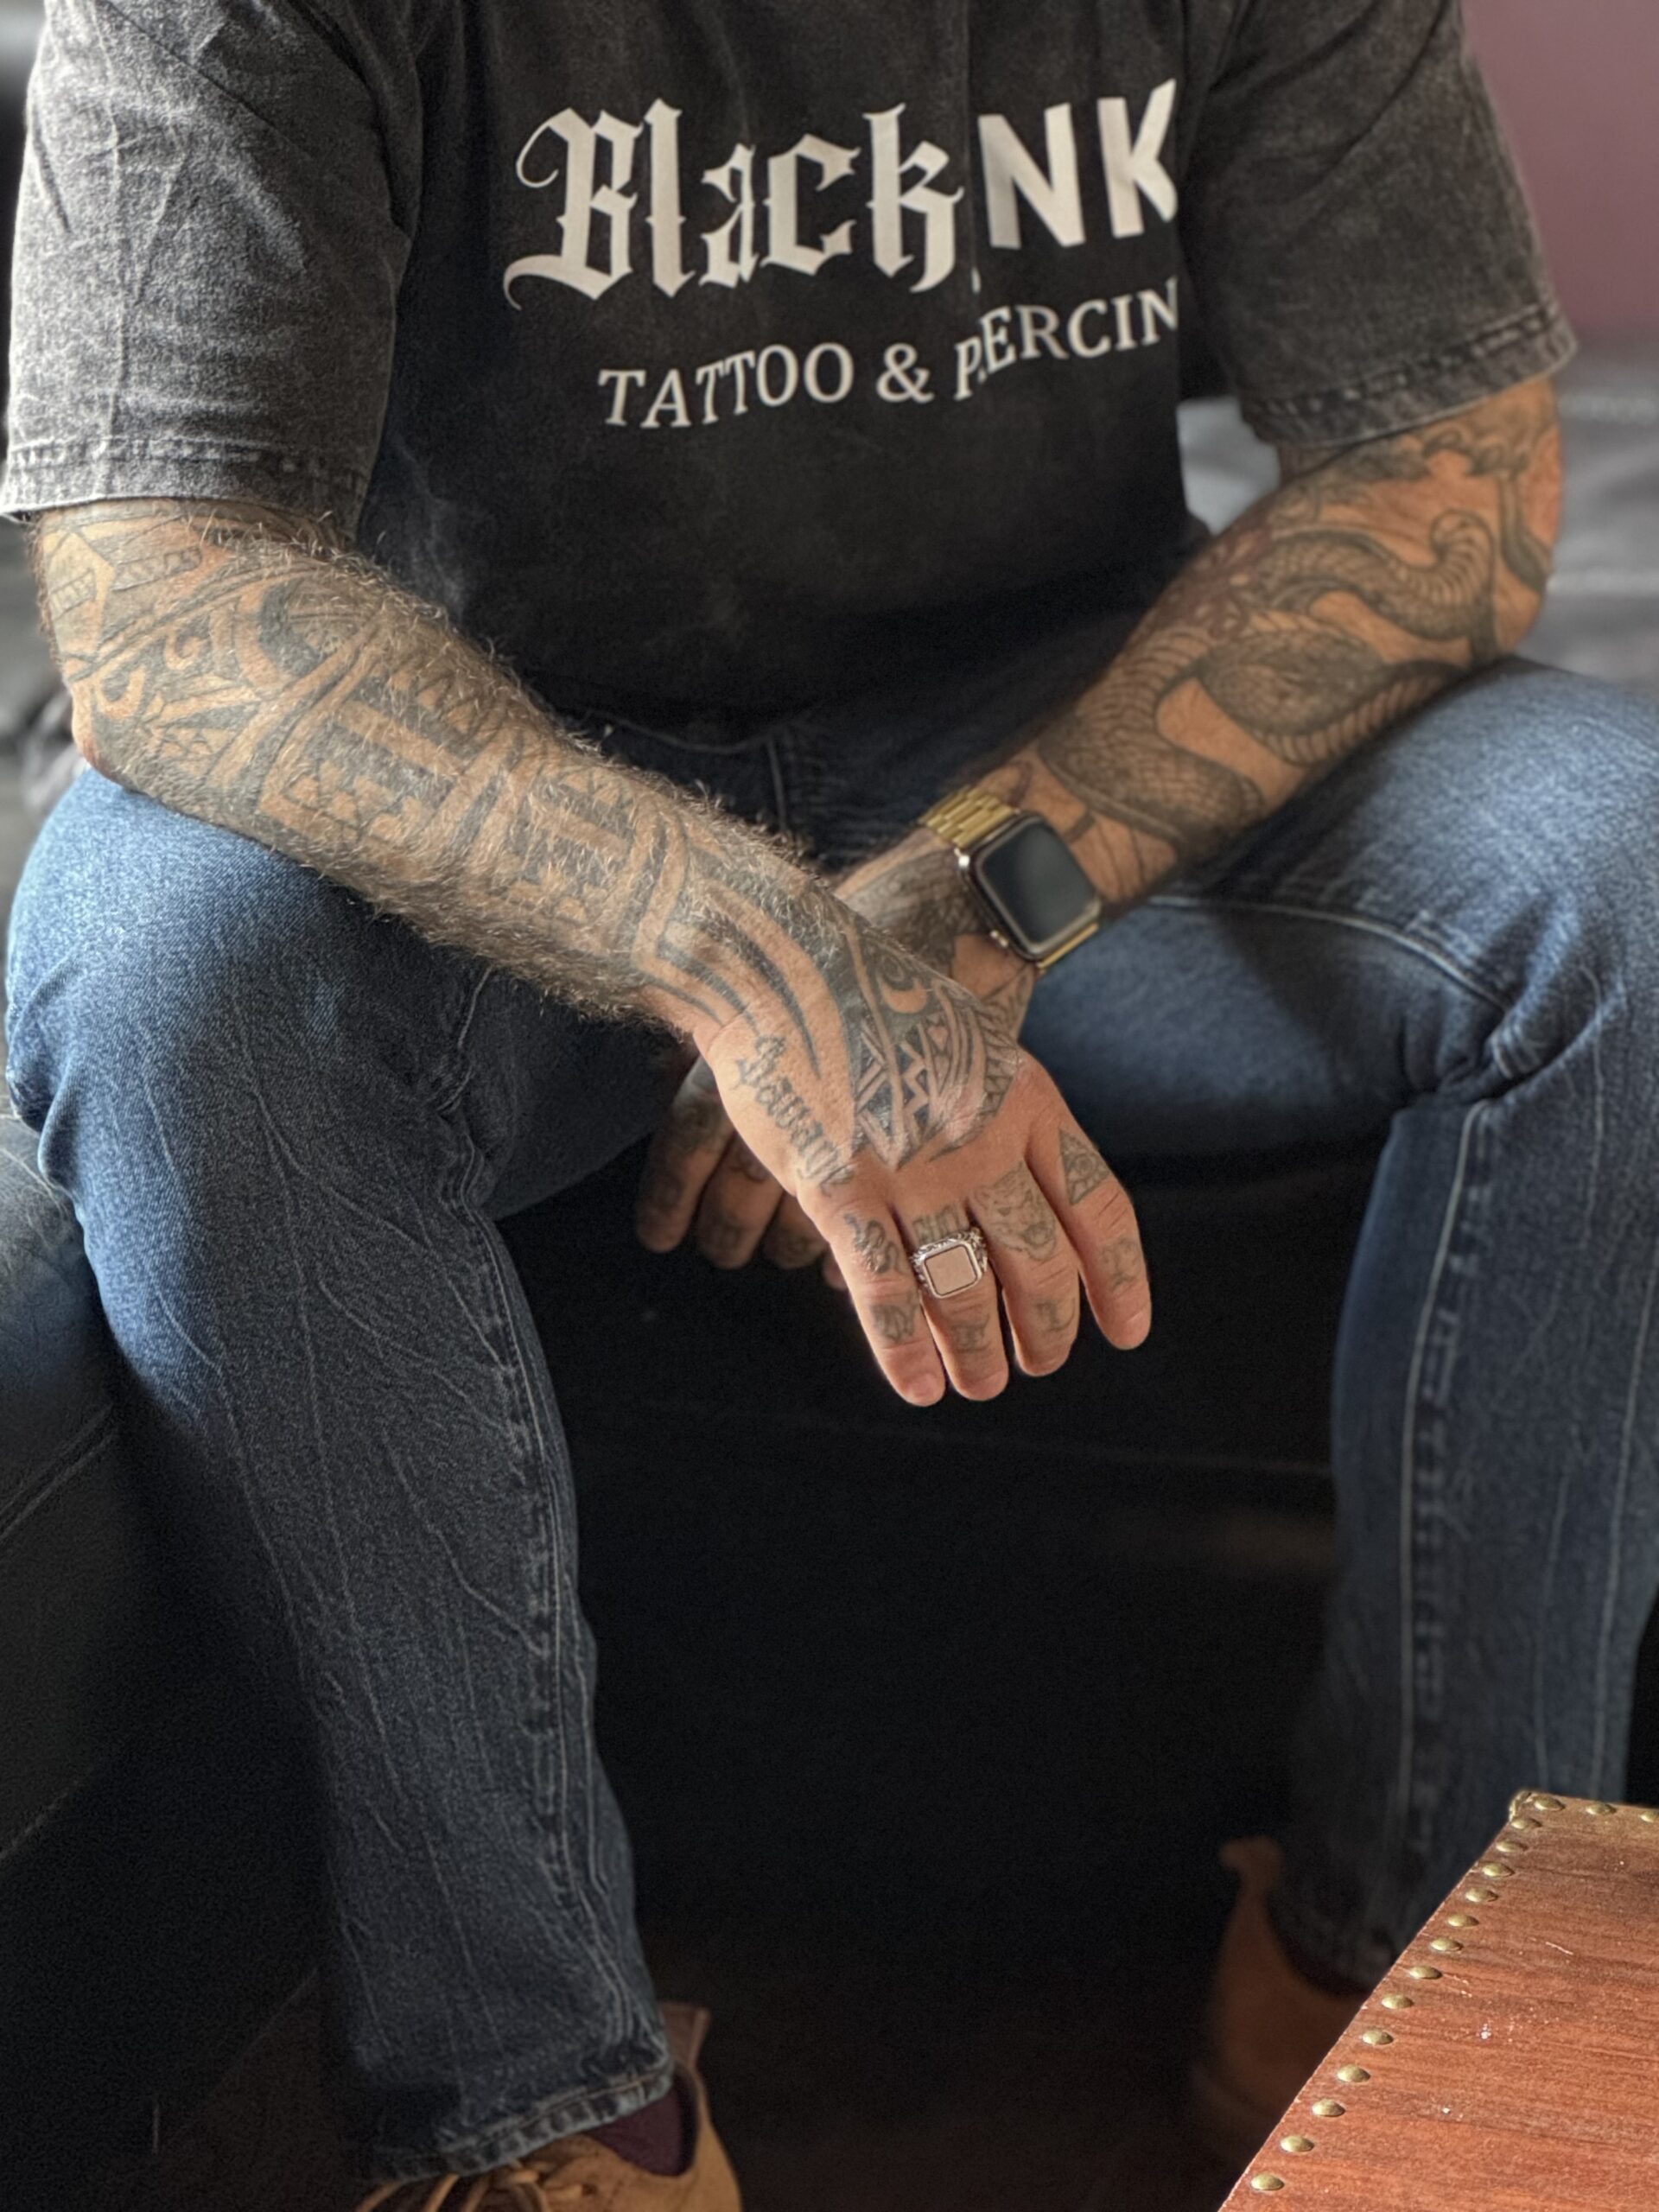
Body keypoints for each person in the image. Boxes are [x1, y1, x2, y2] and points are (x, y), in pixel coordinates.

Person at [6, 0, 1658, 2204]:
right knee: (161, 979)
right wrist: (753, 957)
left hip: (1031, 749)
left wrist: (969, 909)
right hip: (463, 791)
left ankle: (1413, 1980)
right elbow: (169, 600)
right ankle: (548, 2109)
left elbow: (1447, 474)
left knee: (1627, 880)